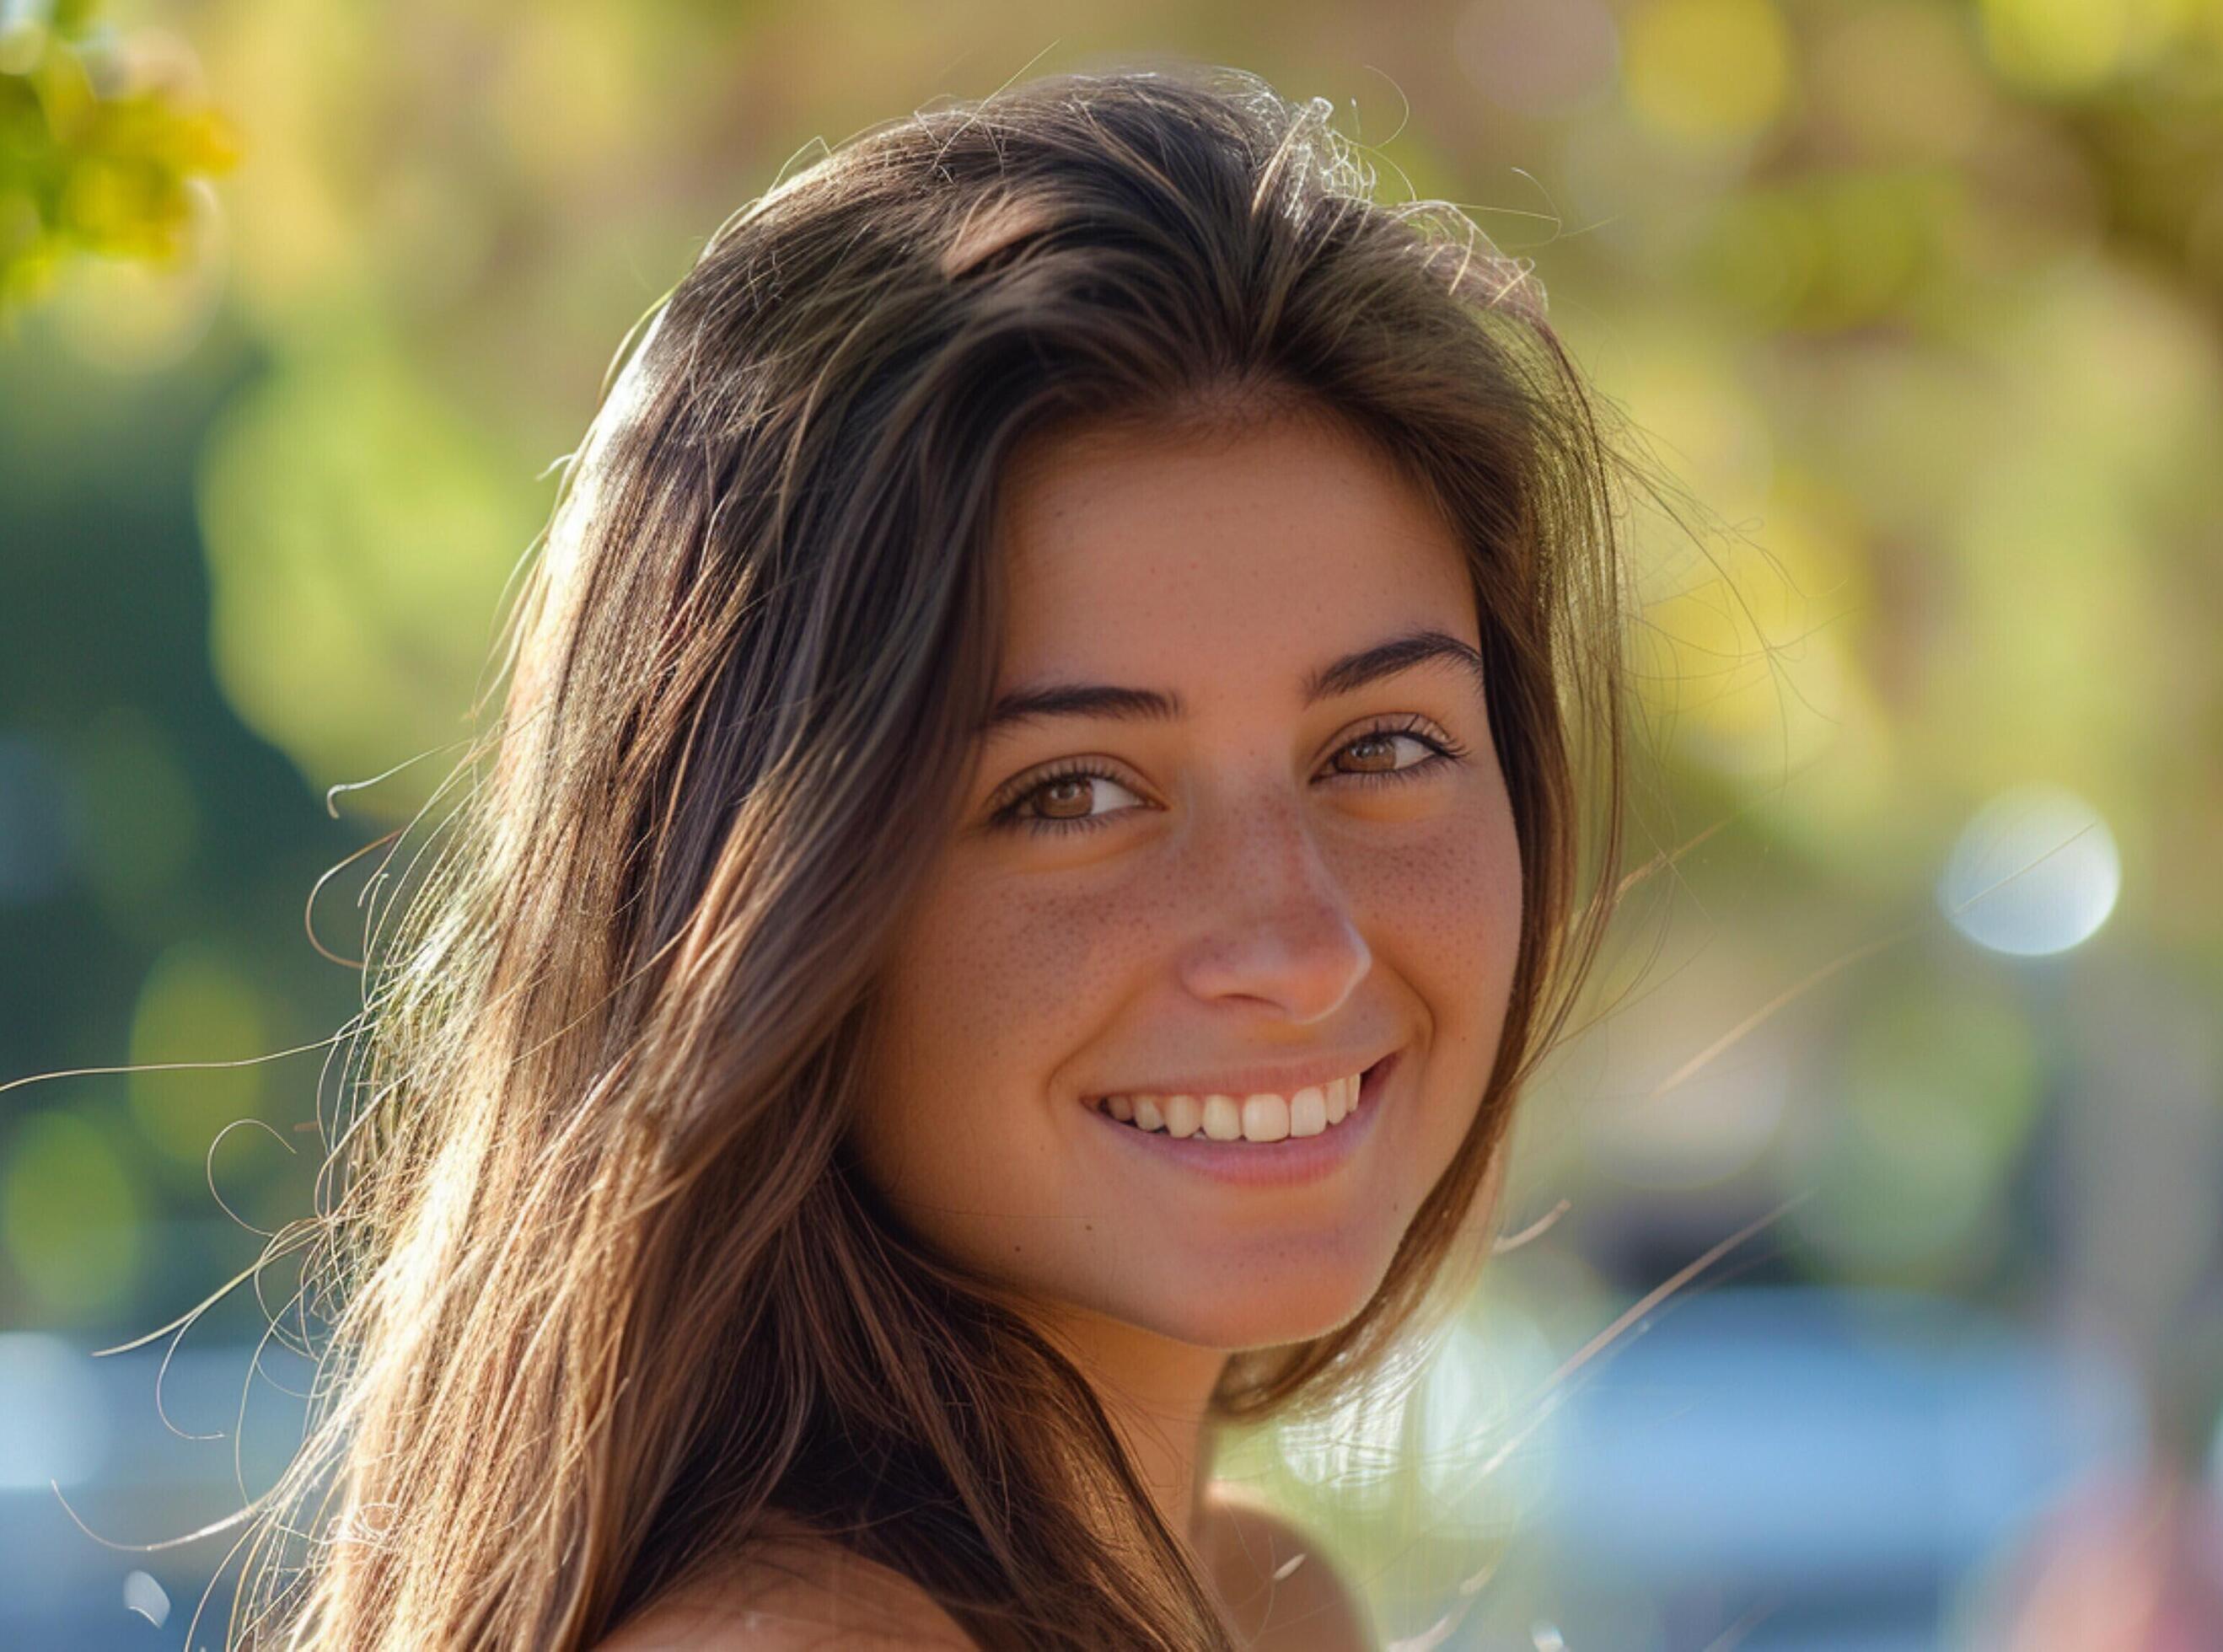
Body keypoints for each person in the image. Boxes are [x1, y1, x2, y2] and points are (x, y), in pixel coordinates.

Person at [224, 62, 1644, 1650]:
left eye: (1381, 749)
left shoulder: (1259, 1600)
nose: (1300, 945)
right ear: (760, 903)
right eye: (1072, 794)